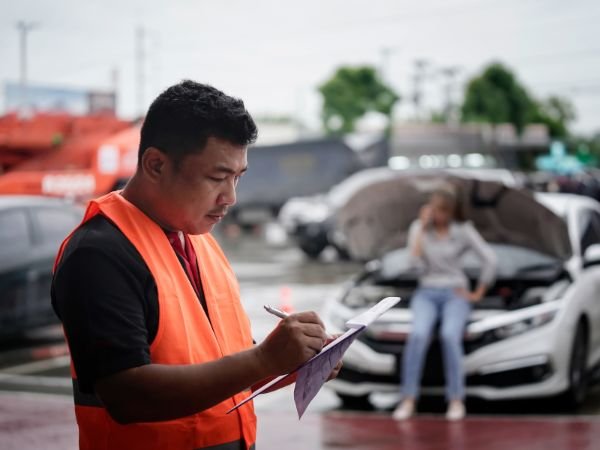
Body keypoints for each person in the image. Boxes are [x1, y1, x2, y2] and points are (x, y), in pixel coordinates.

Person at [51, 80, 339, 450]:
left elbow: (227, 368)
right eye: (217, 177)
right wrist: (264, 358)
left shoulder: (198, 240)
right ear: (155, 164)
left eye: (237, 178)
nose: (230, 197)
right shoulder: (99, 253)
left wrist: (296, 363)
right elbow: (126, 396)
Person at [393, 187, 496, 421]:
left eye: (443, 211)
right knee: (418, 335)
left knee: (450, 336)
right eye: (435, 209)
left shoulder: (463, 230)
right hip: (426, 291)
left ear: (451, 211)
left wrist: (478, 292)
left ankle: (456, 399)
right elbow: (413, 262)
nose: (438, 215)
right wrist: (420, 226)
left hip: (455, 292)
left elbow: (489, 259)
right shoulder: (419, 229)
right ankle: (408, 399)